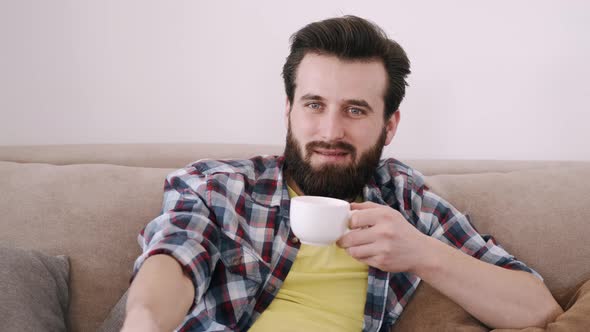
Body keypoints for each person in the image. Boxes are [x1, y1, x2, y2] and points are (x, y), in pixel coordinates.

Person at [122, 15, 562, 332]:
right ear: (289, 111)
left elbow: (537, 309)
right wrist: (144, 322)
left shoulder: (405, 200)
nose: (330, 131)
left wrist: (423, 253)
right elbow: (175, 256)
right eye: (314, 105)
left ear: (389, 125)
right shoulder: (219, 186)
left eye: (355, 110)